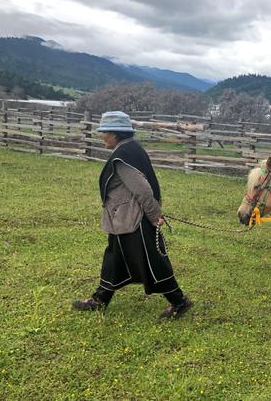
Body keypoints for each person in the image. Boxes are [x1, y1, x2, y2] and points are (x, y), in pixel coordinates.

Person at [72, 111, 192, 319]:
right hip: (123, 219)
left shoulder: (123, 156)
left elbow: (143, 190)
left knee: (153, 261)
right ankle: (101, 298)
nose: (102, 136)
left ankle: (179, 302)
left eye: (105, 132)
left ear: (116, 134)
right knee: (114, 259)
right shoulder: (131, 149)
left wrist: (154, 216)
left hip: (135, 221)